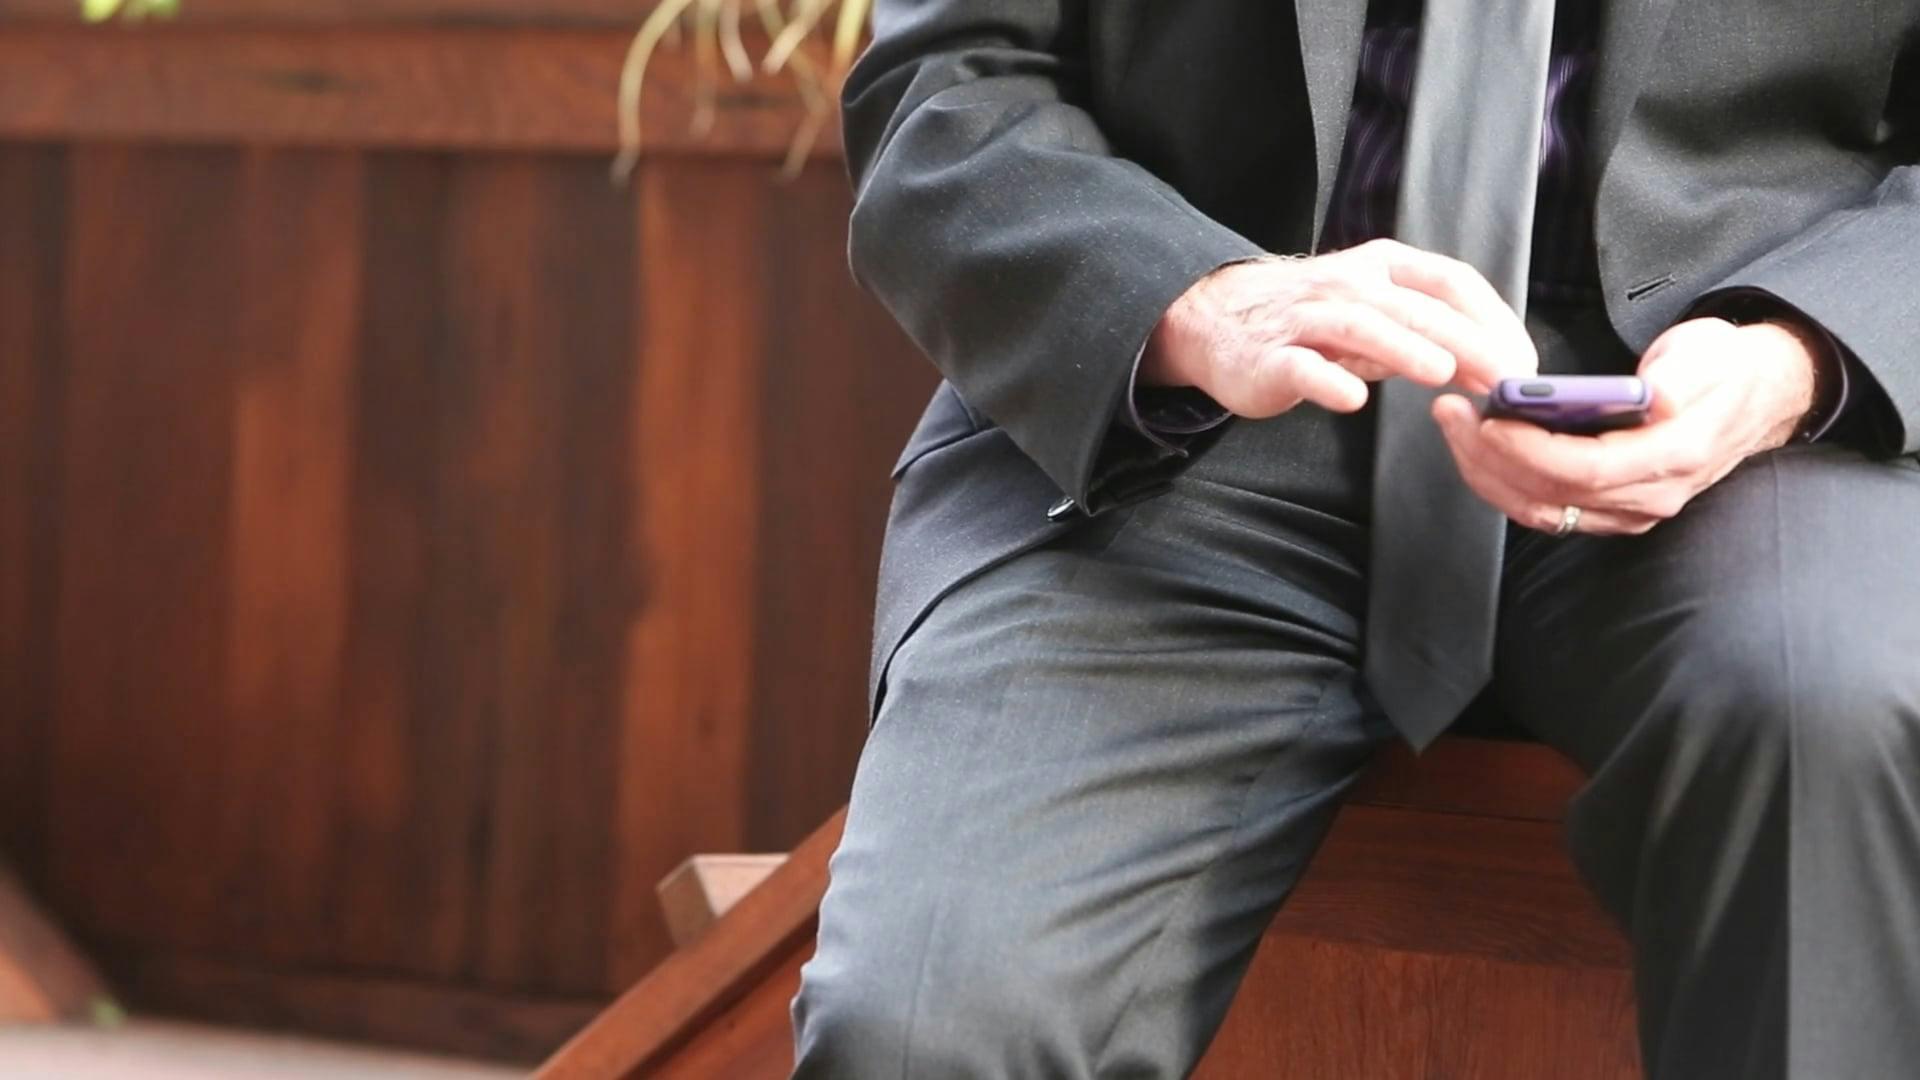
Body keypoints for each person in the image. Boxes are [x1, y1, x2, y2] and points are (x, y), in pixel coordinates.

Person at [791, 0, 1920, 1076]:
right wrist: (1198, 300)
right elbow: (948, 90)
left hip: (1738, 403)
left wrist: (1794, 360)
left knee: (1823, 720)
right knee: (923, 1032)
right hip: (1195, 404)